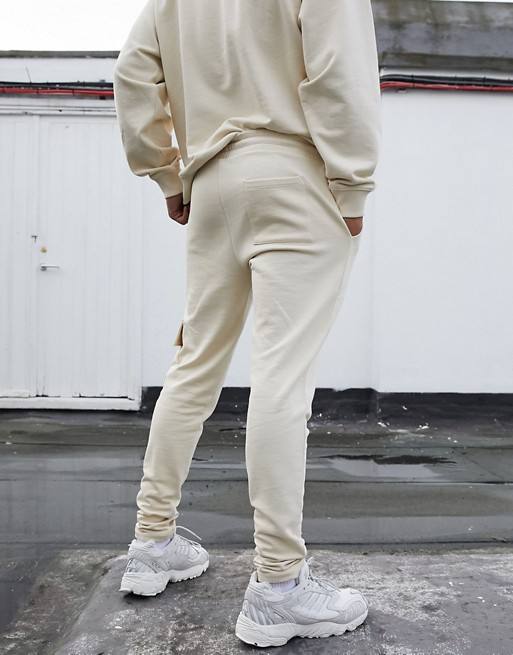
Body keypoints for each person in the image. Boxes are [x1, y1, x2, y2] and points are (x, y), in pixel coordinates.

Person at [113, 0, 381, 647]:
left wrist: (166, 174)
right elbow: (338, 73)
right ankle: (279, 585)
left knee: (194, 364)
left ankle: (152, 542)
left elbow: (132, 72)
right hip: (295, 175)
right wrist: (351, 184)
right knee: (282, 378)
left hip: (211, 183)